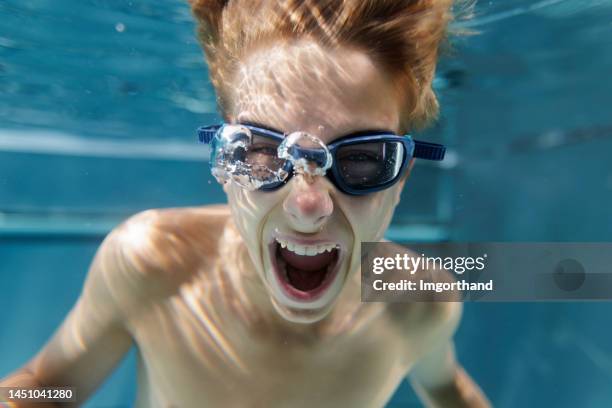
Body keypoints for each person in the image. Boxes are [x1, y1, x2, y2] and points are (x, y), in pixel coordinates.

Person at [1, 0, 490, 406]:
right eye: (259, 151)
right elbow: (47, 389)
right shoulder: (154, 263)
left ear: (401, 177)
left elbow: (448, 390)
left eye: (363, 160)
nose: (307, 206)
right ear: (223, 163)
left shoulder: (417, 301)